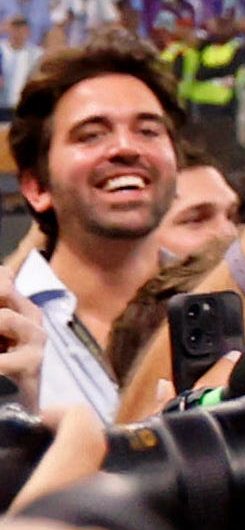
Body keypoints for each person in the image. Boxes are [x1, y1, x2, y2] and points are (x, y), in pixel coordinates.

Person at [7, 46, 182, 423]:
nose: (125, 148)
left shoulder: (223, 303)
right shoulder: (10, 323)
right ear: (38, 187)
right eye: (91, 135)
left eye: (148, 130)